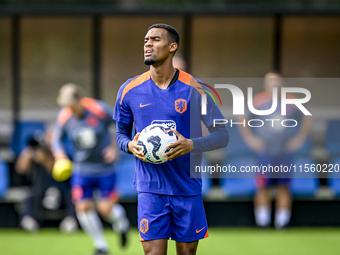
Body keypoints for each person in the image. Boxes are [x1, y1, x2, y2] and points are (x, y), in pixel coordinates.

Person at [114, 24, 229, 255]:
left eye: (155, 39)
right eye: (146, 40)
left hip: (186, 186)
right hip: (150, 188)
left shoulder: (195, 88)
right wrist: (129, 145)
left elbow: (222, 135)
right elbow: (120, 135)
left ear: (172, 47)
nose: (148, 44)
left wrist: (191, 144)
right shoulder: (129, 89)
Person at [52, 84, 130, 255]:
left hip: (105, 168)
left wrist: (114, 148)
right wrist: (60, 156)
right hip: (81, 169)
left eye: (71, 105)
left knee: (105, 209)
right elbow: (56, 140)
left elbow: (121, 125)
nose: (69, 109)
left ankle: (122, 224)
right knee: (83, 208)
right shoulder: (64, 116)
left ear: (80, 99)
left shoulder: (99, 108)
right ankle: (101, 246)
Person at [238, 72, 312, 229]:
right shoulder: (258, 101)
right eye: (270, 82)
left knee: (284, 187)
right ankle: (263, 224)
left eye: (276, 82)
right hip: (265, 153)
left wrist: (299, 139)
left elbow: (307, 117)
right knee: (262, 186)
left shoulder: (292, 101)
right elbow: (242, 118)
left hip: (285, 152)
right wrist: (251, 139)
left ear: (281, 83)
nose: (273, 85)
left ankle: (281, 224)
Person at [15, 130, 78, 233]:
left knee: (73, 196)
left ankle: (70, 220)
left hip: (61, 189)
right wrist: (29, 151)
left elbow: (56, 171)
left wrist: (45, 160)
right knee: (29, 197)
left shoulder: (63, 155)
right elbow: (20, 169)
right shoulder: (36, 154)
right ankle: (29, 220)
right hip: (41, 189)